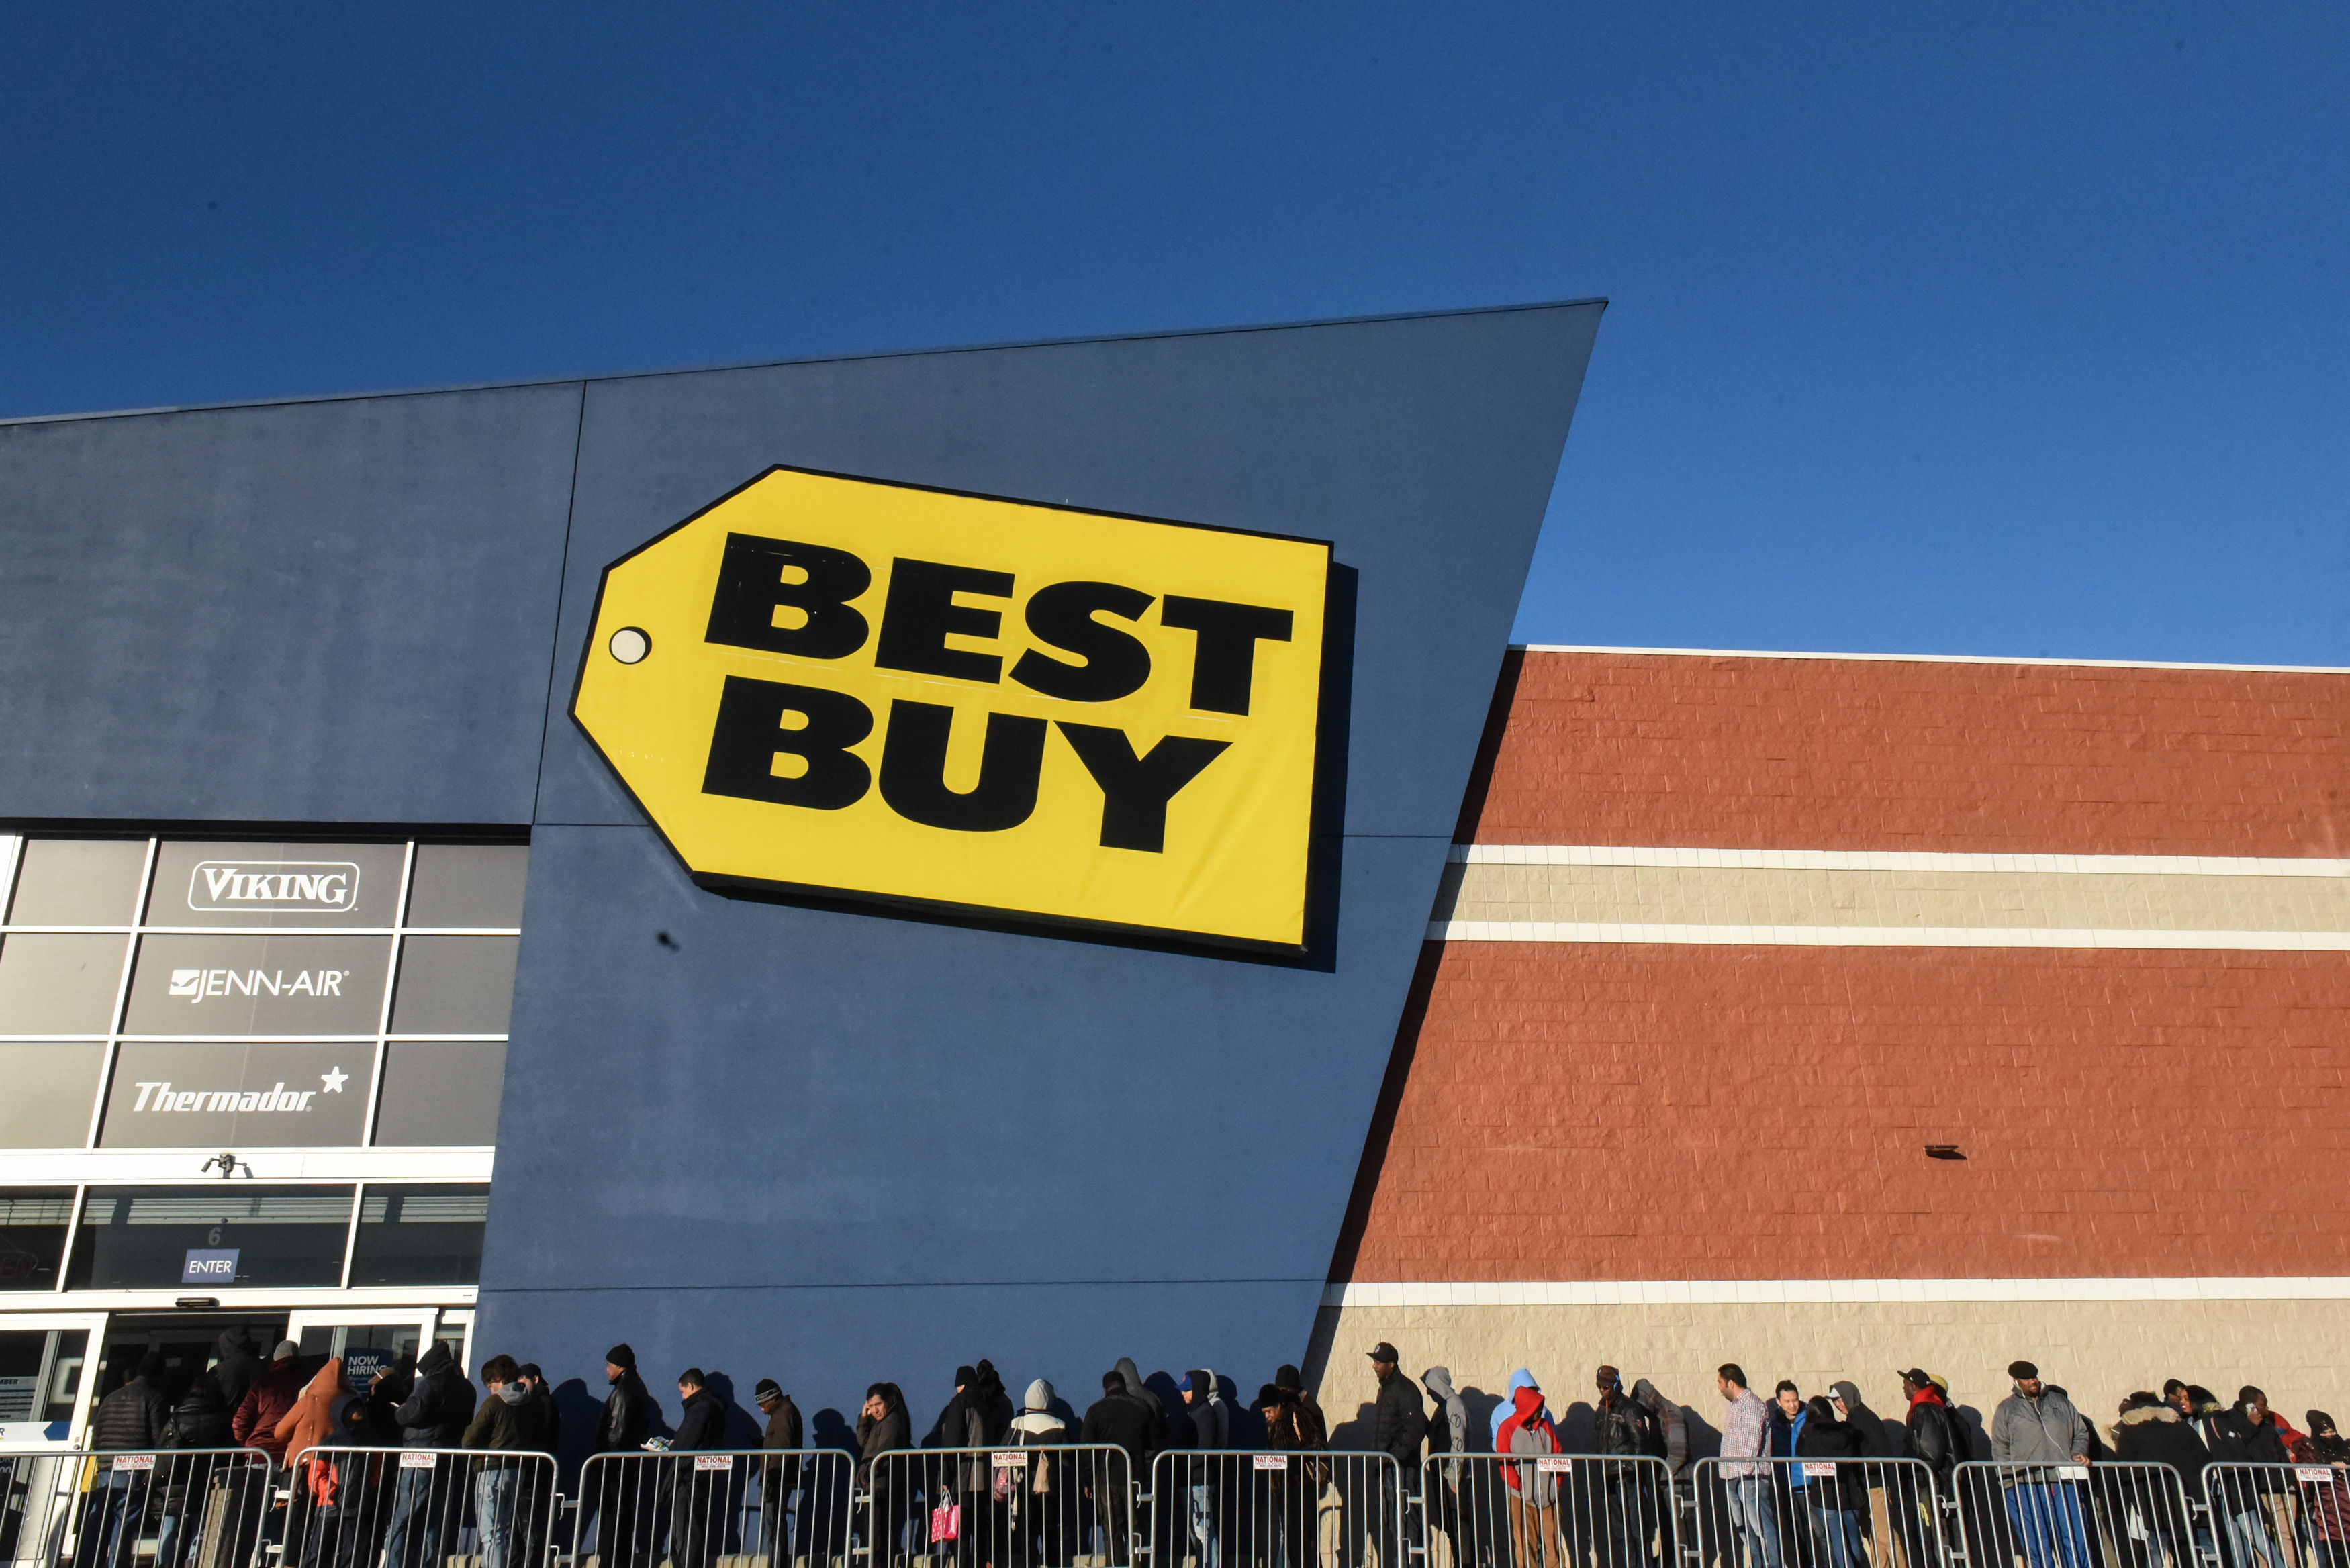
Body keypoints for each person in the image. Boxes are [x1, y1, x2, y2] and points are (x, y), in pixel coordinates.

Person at [383, 1340, 475, 1568]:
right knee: (432, 1521)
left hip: (419, 1456)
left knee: (403, 1517)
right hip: (446, 1459)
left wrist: (400, 1411)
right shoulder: (466, 1387)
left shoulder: (431, 1382)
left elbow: (411, 1414)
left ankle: (394, 1564)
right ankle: (424, 1563)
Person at [1991, 1361, 2091, 1568]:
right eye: (2027, 1379)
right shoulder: (2007, 1409)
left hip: (2063, 1481)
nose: (2033, 1381)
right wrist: (2008, 1480)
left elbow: (2081, 1432)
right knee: (2036, 1542)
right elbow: (2000, 1447)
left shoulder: (2060, 1402)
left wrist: (2078, 1453)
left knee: (2075, 1536)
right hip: (2025, 1483)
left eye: (2035, 1377)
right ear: (2016, 1381)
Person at [83, 1353, 174, 1568]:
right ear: (159, 1374)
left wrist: (105, 1458)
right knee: (125, 1520)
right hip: (134, 1464)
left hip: (107, 1466)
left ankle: (86, 1562)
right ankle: (117, 1563)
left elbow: (97, 1434)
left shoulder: (111, 1397)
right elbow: (158, 1436)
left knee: (98, 1518)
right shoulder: (154, 1397)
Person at [463, 1355, 553, 1568]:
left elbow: (469, 1440)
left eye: (490, 1383)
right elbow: (539, 1436)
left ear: (499, 1378)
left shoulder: (495, 1403)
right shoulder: (532, 1402)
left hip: (491, 1470)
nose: (490, 1389)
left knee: (491, 1536)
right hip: (517, 1472)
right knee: (501, 1533)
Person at [2110, 1391, 2207, 1568]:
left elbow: (2124, 1468)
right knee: (2193, 1549)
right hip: (2188, 1500)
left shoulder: (2130, 1430)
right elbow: (2204, 1460)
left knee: (2156, 1550)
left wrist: (2134, 1499)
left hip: (2151, 1502)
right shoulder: (2180, 1426)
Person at [156, 1369, 236, 1568]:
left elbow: (161, 1445)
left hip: (177, 1477)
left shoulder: (178, 1416)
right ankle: (193, 1561)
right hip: (207, 1477)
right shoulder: (224, 1417)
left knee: (170, 1525)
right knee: (199, 1526)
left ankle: (164, 1563)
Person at [592, 1344, 660, 1568]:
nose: (606, 1370)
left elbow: (615, 1434)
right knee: (621, 1517)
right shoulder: (636, 1387)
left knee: (612, 1519)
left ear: (619, 1367)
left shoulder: (623, 1391)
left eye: (609, 1365)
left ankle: (610, 1562)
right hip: (624, 1465)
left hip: (615, 1467)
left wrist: (602, 1463)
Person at [1080, 1371, 1155, 1565]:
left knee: (1112, 1529)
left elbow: (1086, 1451)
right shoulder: (1142, 1407)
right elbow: (1152, 1447)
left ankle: (1115, 1565)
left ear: (1105, 1389)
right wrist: (1147, 1477)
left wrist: (1088, 1481)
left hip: (1107, 1480)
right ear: (1125, 1386)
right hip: (1135, 1479)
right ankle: (1138, 1564)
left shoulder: (1095, 1411)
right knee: (1136, 1527)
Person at [1595, 1367, 1663, 1568]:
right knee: (1620, 1529)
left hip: (1628, 1476)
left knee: (1637, 1528)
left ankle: (1644, 1565)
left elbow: (1640, 1443)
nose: (1601, 1390)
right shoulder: (1601, 1409)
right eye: (1599, 1386)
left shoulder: (1630, 1408)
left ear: (1616, 1385)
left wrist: (1628, 1467)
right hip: (1609, 1476)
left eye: (1605, 1386)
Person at [1828, 1381, 1901, 1568]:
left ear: (1849, 1396)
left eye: (1839, 1399)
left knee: (1885, 1536)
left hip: (1875, 1485)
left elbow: (1883, 1451)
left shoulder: (1864, 1418)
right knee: (1874, 1536)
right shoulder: (1854, 1418)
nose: (1838, 1404)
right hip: (1865, 1486)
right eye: (1834, 1401)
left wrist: (1859, 1465)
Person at [1497, 1369, 1563, 1568]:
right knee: (1526, 1545)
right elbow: (1505, 1464)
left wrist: (1556, 1485)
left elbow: (1557, 1453)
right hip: (1521, 1497)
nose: (1539, 1411)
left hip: (1548, 1497)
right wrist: (1519, 1487)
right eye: (1536, 1407)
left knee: (1553, 1545)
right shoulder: (1507, 1429)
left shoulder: (1546, 1427)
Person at [1368, 1345, 1426, 1568]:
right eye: (1374, 1361)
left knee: (1406, 1520)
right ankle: (1400, 1562)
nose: (1375, 1366)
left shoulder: (1404, 1389)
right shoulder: (1387, 1389)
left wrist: (1394, 1457)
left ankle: (1410, 1564)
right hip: (1389, 1468)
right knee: (1393, 1521)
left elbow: (1415, 1429)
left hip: (1402, 1469)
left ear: (1391, 1365)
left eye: (1379, 1362)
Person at [1718, 1365, 1781, 1568]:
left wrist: (1742, 1473)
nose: (1719, 1388)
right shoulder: (1736, 1405)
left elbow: (1752, 1443)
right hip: (1734, 1477)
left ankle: (1773, 1564)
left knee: (1762, 1527)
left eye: (1720, 1383)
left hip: (1749, 1478)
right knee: (1744, 1527)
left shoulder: (1752, 1405)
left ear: (1731, 1383)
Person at [666, 1368, 729, 1568]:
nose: (682, 1397)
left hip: (689, 1476)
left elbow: (685, 1443)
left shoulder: (700, 1409)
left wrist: (672, 1446)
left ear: (691, 1386)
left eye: (683, 1392)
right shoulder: (714, 1407)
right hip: (701, 1476)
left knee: (686, 1529)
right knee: (693, 1526)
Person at [1796, 1395, 1867, 1568]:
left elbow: (1801, 1453)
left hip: (1825, 1492)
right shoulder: (1847, 1431)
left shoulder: (1808, 1433)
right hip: (1849, 1491)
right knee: (1853, 1539)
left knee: (1838, 1542)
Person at [1004, 1380, 1067, 1568]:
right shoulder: (1060, 1425)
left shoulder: (1017, 1424)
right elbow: (1068, 1460)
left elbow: (1003, 1452)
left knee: (1027, 1537)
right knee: (1050, 1535)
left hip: (1024, 1491)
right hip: (1052, 1490)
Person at [859, 1383, 914, 1568]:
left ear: (888, 1401)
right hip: (877, 1484)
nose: (875, 1410)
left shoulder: (892, 1422)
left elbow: (883, 1454)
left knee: (877, 1537)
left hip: (882, 1485)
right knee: (874, 1536)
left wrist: (864, 1475)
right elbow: (863, 1441)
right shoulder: (882, 1423)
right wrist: (864, 1418)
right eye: (871, 1405)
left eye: (878, 1404)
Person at [1423, 1370, 1470, 1568]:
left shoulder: (1453, 1405)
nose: (1428, 1394)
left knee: (1460, 1527)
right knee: (1452, 1528)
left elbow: (1458, 1442)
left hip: (1454, 1480)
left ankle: (1465, 1564)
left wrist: (1453, 1480)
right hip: (1443, 1476)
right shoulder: (1442, 1408)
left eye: (1430, 1388)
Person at [755, 1378, 805, 1564]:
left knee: (774, 1526)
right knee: (775, 1525)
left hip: (777, 1479)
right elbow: (779, 1445)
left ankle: (777, 1564)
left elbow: (781, 1449)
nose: (762, 1409)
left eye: (763, 1404)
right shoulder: (782, 1413)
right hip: (778, 1478)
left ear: (772, 1398)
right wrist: (761, 1443)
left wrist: (770, 1481)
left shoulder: (784, 1414)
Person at [232, 1340, 306, 1463]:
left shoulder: (263, 1385)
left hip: (260, 1453)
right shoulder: (306, 1386)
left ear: (275, 1359)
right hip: (290, 1456)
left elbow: (239, 1422)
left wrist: (250, 1442)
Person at [1182, 1372, 1227, 1568]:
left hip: (1199, 1482)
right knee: (1196, 1533)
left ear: (1198, 1389)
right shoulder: (1195, 1411)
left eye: (1187, 1389)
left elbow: (1205, 1448)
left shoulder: (1205, 1413)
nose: (1183, 1394)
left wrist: (1185, 1466)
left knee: (1204, 1532)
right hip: (1191, 1481)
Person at [2296, 1412, 2350, 1568]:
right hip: (2329, 1503)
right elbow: (2306, 1469)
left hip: (2347, 1499)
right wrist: (2329, 1465)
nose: (2329, 1435)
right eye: (2325, 1433)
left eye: (2332, 1432)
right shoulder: (2309, 1447)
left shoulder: (2344, 1445)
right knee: (2335, 1543)